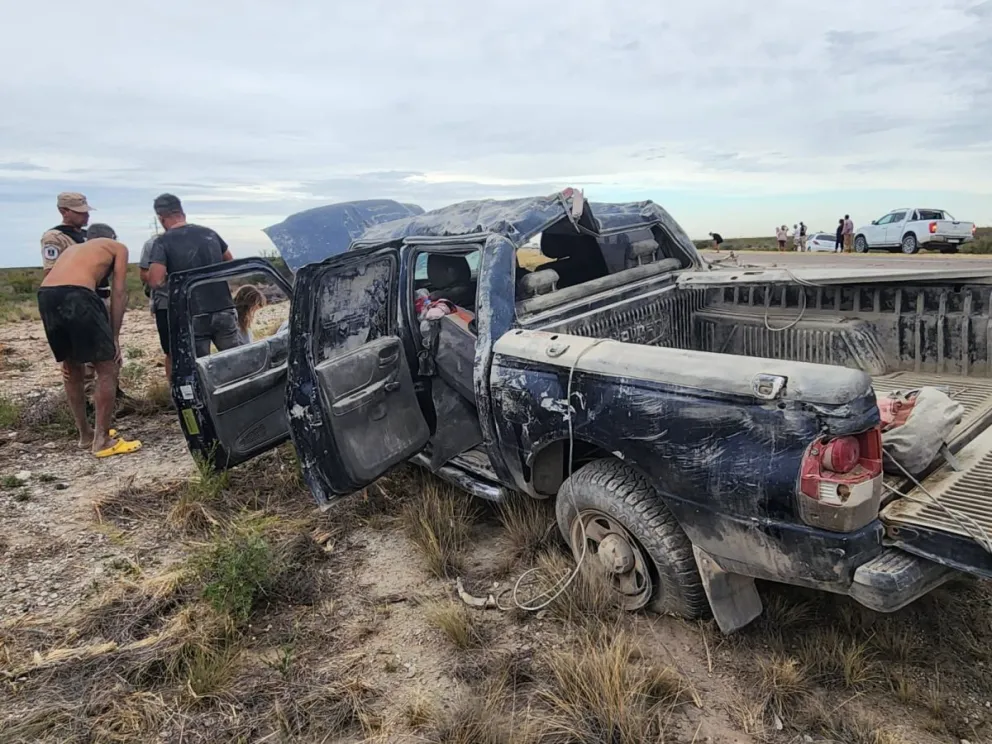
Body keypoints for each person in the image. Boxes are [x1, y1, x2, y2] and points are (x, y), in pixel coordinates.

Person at [37, 237, 141, 457]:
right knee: (107, 367)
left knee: (71, 366)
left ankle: (85, 435)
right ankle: (102, 440)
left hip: (46, 294)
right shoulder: (118, 248)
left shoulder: (74, 249)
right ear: (111, 238)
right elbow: (119, 293)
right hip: (78, 294)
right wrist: (114, 337)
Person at [147, 194, 242, 358]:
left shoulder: (162, 242)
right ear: (182, 212)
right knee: (237, 360)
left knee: (200, 368)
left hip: (191, 313)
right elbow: (230, 263)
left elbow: (155, 281)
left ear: (161, 218)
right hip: (223, 307)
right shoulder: (210, 234)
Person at [138, 234, 173, 380]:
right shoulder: (152, 243)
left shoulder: (196, 238)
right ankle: (174, 392)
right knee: (171, 351)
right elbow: (144, 273)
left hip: (193, 304)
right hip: (165, 304)